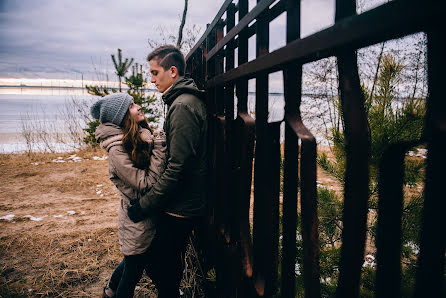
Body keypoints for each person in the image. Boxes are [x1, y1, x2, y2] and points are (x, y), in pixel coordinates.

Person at [127, 45, 208, 297]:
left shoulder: (183, 106)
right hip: (180, 200)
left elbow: (178, 167)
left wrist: (146, 204)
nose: (151, 80)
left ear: (172, 71)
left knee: (161, 263)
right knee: (165, 264)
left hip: (182, 205)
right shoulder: (180, 102)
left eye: (154, 73)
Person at [90, 92, 167, 297]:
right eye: (132, 105)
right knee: (133, 269)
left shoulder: (137, 136)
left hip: (145, 213)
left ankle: (110, 291)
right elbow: (145, 183)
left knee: (133, 262)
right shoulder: (117, 150)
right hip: (136, 218)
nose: (138, 106)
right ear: (123, 116)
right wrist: (160, 147)